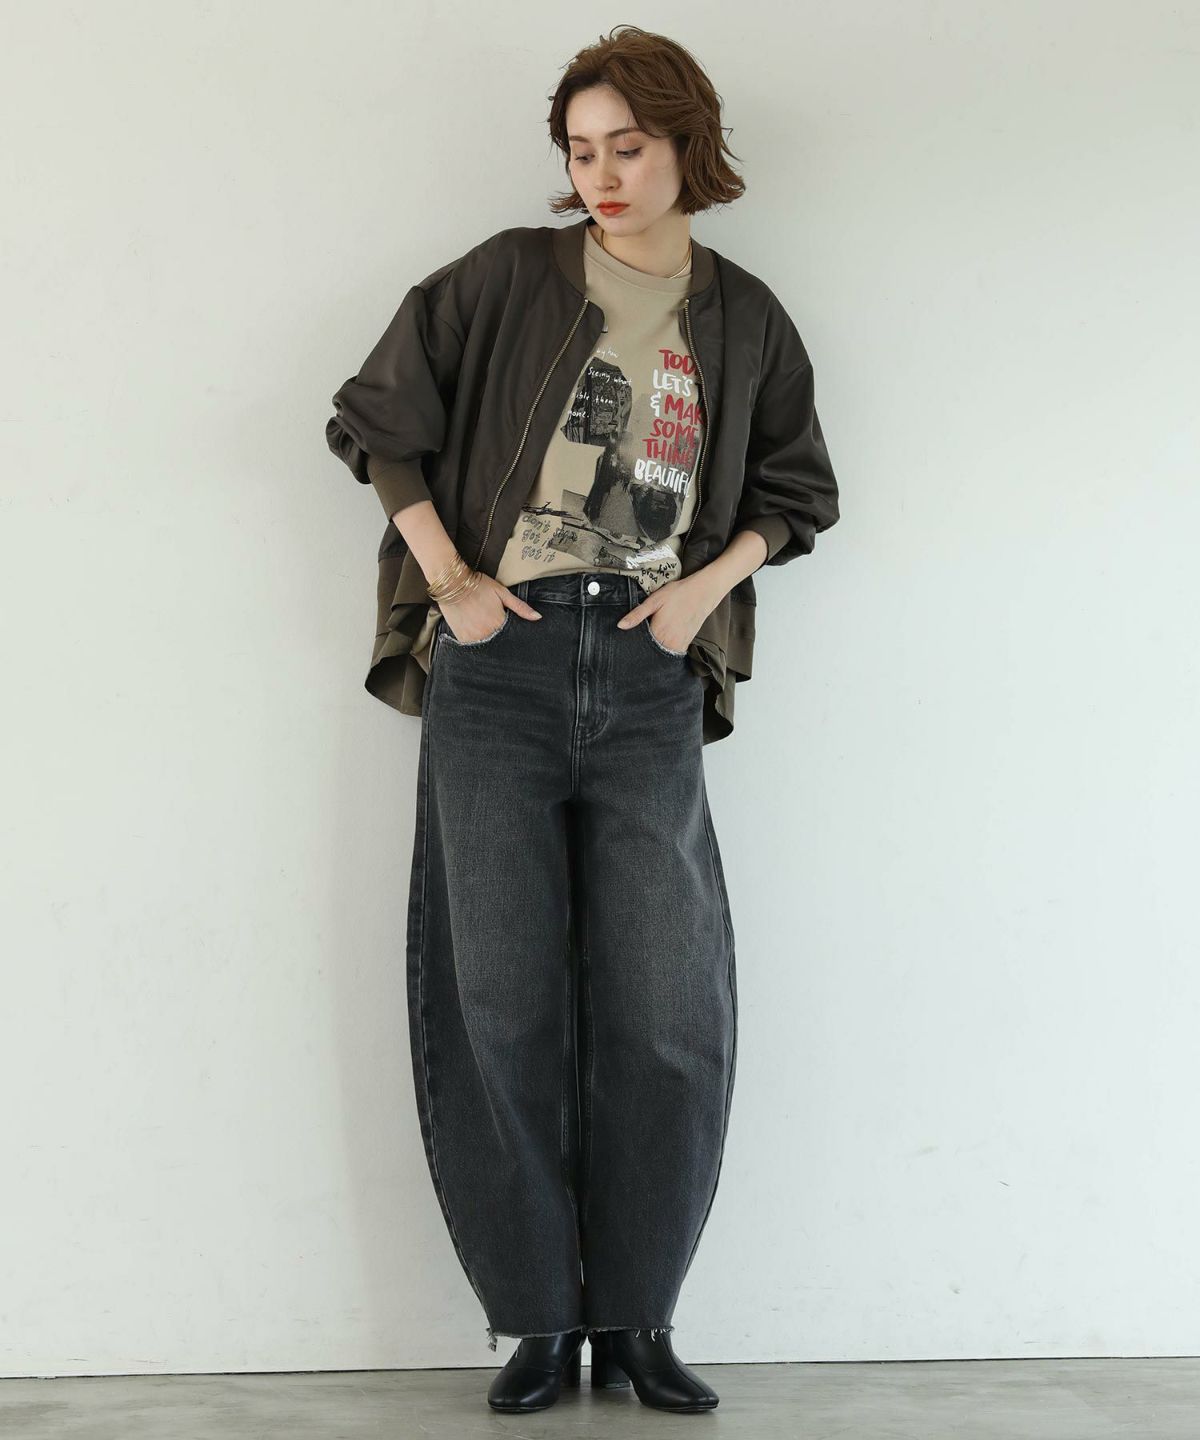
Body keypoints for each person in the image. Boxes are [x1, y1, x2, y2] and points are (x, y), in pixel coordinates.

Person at [325, 24, 839, 1416]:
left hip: (650, 670)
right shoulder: (506, 276)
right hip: (500, 668)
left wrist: (697, 600)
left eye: (629, 145)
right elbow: (377, 421)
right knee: (499, 999)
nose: (602, 174)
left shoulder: (745, 317)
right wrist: (454, 586)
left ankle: (639, 1316)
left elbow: (797, 491)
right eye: (582, 149)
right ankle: (540, 1321)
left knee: (667, 1005)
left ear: (686, 146)